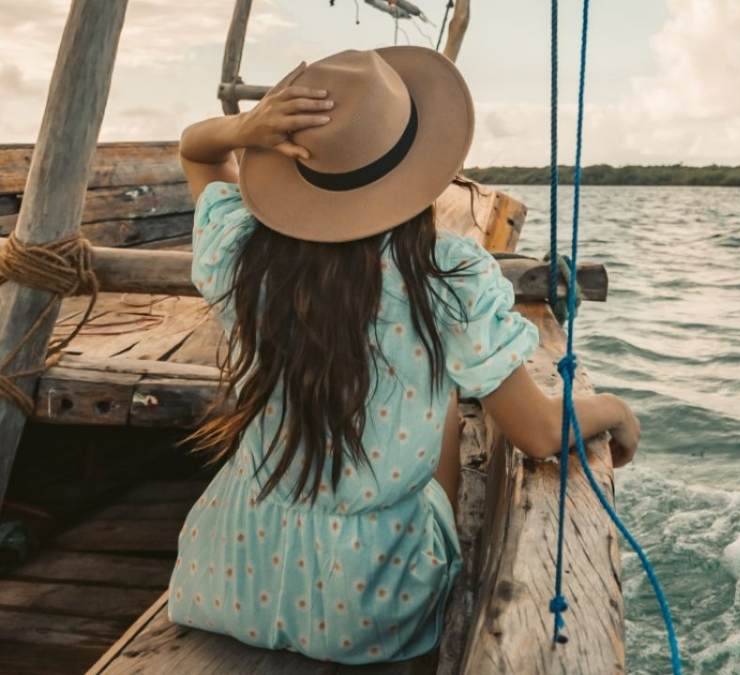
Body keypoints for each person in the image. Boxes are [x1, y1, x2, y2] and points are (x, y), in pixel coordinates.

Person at [166, 47, 640, 664]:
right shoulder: (446, 277)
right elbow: (539, 433)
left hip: (225, 575)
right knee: (441, 394)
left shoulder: (241, 251)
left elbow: (197, 151)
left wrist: (242, 129)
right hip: (368, 602)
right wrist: (614, 410)